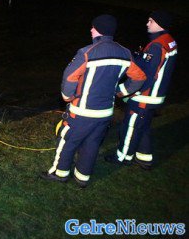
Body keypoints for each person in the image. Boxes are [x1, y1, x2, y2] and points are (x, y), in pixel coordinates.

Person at [40, 14, 146, 187]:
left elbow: (69, 77)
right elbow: (140, 77)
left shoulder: (87, 52)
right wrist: (120, 92)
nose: (90, 29)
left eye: (93, 27)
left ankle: (60, 173)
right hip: (105, 113)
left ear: (100, 30)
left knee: (67, 142)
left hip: (81, 112)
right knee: (92, 144)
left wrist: (67, 97)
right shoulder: (125, 52)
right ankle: (83, 177)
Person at [105, 10, 177, 170]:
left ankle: (122, 157)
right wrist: (141, 57)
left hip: (145, 97)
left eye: (151, 21)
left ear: (160, 24)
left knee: (130, 127)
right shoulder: (169, 41)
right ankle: (144, 157)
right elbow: (156, 67)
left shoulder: (157, 46)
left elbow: (146, 76)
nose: (147, 23)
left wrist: (124, 92)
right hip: (156, 95)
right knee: (142, 126)